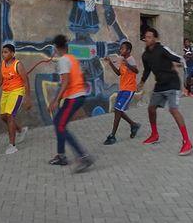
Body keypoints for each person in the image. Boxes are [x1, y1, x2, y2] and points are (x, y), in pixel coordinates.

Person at [139, 28, 193, 156]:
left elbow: (178, 58)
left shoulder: (162, 49)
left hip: (172, 83)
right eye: (146, 37)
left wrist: (182, 67)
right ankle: (154, 134)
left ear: (155, 38)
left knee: (173, 110)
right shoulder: (145, 55)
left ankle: (187, 141)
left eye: (150, 37)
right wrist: (141, 82)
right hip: (160, 85)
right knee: (151, 109)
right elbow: (147, 70)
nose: (147, 39)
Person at [47, 35, 94, 173]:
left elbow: (65, 82)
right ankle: (61, 156)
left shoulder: (63, 60)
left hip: (74, 97)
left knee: (60, 125)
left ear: (56, 47)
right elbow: (81, 75)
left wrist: (56, 100)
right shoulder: (72, 58)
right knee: (58, 122)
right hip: (76, 96)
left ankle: (83, 156)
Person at [0, 44, 31, 155]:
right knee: (3, 117)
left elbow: (26, 81)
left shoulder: (18, 65)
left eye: (6, 52)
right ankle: (21, 130)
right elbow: (0, 80)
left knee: (10, 116)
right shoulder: (2, 64)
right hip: (6, 92)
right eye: (2, 52)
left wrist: (28, 98)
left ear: (12, 53)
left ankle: (12, 145)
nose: (3, 54)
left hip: (17, 92)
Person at [102, 42, 141, 145]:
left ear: (128, 50)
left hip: (129, 89)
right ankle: (133, 125)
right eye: (120, 48)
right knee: (117, 110)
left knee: (118, 110)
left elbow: (136, 71)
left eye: (122, 48)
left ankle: (112, 136)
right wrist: (110, 63)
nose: (120, 50)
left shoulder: (130, 59)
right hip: (122, 89)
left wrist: (127, 63)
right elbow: (119, 73)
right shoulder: (121, 60)